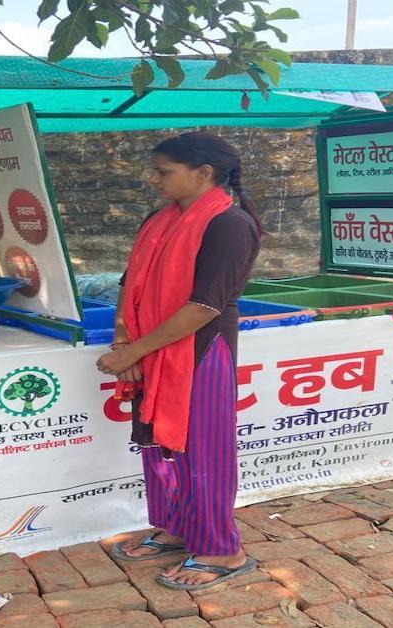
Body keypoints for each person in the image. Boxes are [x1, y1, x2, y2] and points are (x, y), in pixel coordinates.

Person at [96, 132, 263, 591]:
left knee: (202, 451)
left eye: (164, 171)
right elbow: (131, 286)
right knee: (160, 444)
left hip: (200, 351)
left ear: (203, 173)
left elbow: (205, 306)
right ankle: (177, 529)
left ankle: (222, 550)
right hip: (152, 346)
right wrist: (123, 343)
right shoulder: (160, 220)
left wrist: (135, 350)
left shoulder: (230, 225)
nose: (156, 180)